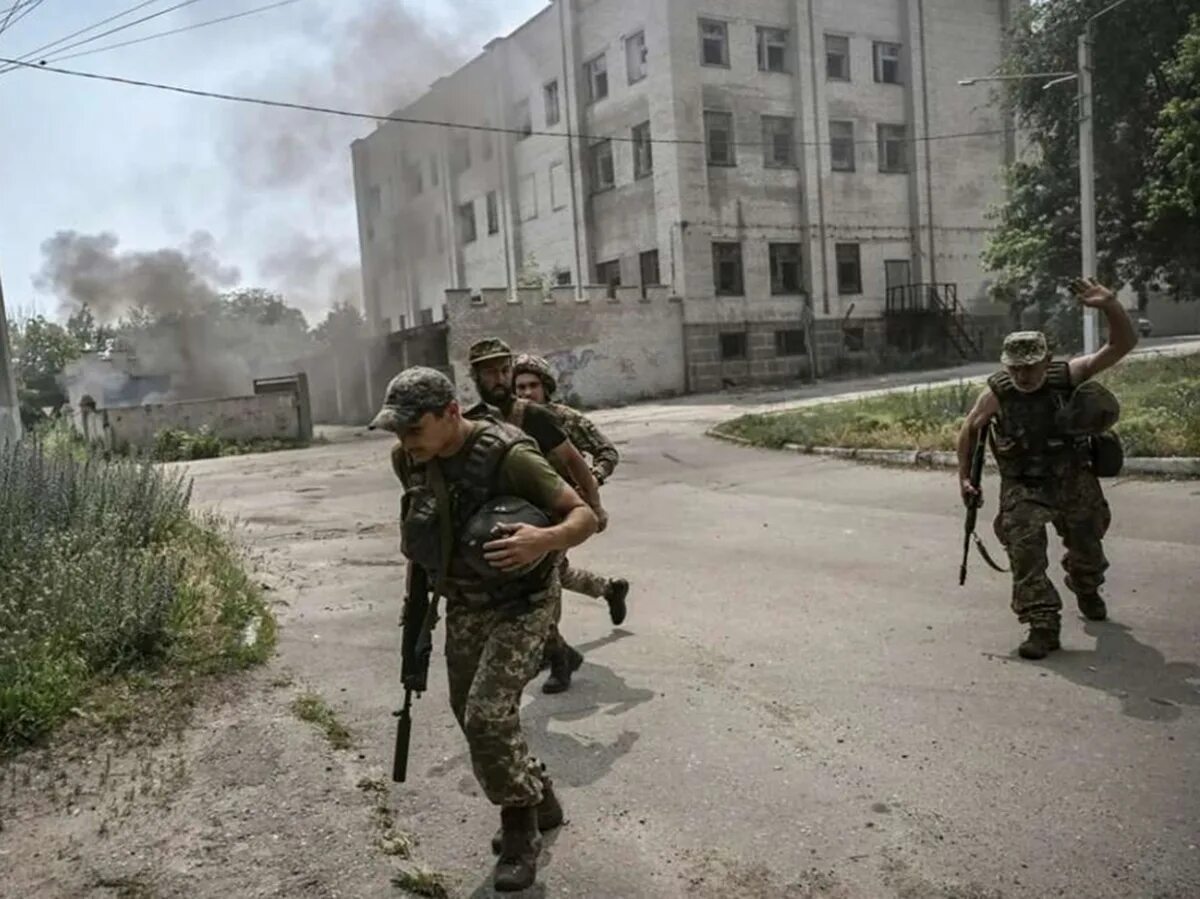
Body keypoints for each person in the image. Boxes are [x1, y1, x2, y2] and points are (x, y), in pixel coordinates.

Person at [373, 366, 598, 892]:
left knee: (487, 714)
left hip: (524, 602)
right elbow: (423, 528)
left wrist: (541, 542)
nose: (405, 442)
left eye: (414, 428)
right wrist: (418, 605)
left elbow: (581, 515)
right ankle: (538, 793)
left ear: (451, 413)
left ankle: (519, 832)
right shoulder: (409, 458)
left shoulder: (507, 454)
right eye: (398, 431)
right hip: (465, 603)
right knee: (467, 714)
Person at [956, 278, 1138, 659]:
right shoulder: (996, 394)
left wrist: (1110, 306)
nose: (1024, 376)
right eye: (1016, 368)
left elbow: (1121, 345)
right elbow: (969, 431)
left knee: (1088, 546)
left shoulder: (1067, 376)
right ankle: (1042, 623)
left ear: (1045, 360)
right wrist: (964, 479)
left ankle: (1085, 584)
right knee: (1025, 548)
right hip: (1024, 486)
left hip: (1074, 480)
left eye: (1031, 367)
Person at [466, 338, 604, 694]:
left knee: (542, 594)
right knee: (511, 599)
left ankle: (558, 658)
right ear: (475, 377)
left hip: (546, 520)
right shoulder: (472, 421)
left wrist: (595, 507)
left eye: (503, 370)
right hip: (499, 523)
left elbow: (575, 463)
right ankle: (559, 652)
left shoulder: (535, 416)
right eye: (488, 372)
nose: (499, 379)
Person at [512, 352, 630, 626]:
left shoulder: (565, 419)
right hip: (522, 510)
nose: (527, 393)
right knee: (552, 570)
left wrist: (593, 479)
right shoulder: (510, 421)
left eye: (533, 386)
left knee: (544, 570)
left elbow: (607, 452)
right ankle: (610, 589)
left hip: (561, 510)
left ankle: (547, 642)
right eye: (521, 387)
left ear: (546, 388)